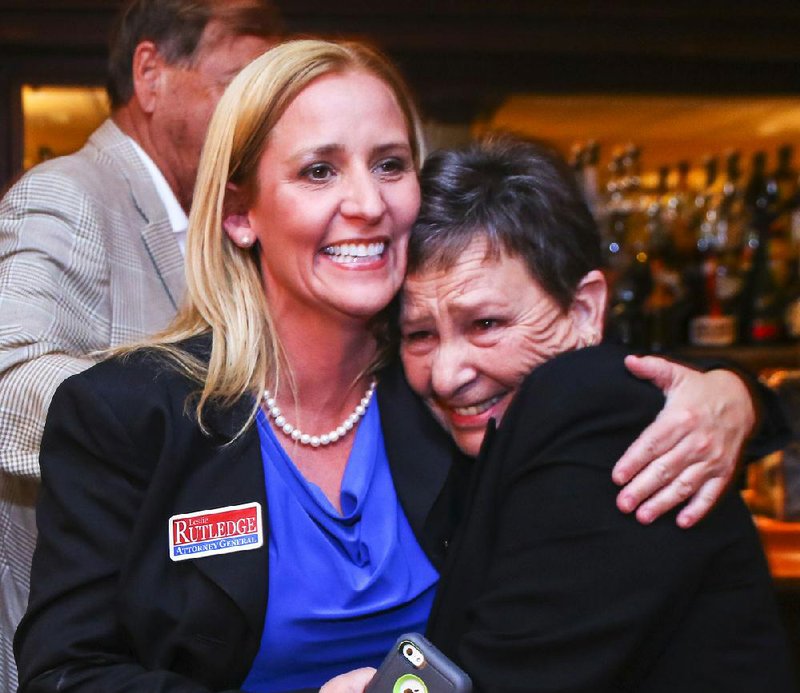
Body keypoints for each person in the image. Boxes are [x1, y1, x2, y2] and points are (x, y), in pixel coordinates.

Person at [14, 40, 782, 692]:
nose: (367, 203)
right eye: (319, 171)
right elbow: (65, 673)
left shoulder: (448, 391)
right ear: (240, 213)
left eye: (388, 164)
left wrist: (736, 395)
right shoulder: (129, 412)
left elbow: (595, 385)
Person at [392, 135, 795, 692]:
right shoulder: (507, 430)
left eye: (486, 324)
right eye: (418, 334)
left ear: (584, 310)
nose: (445, 375)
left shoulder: (588, 407)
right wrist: (741, 390)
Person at [0, 0, 279, 686]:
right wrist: (190, 435)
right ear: (150, 74)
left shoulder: (220, 220)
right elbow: (9, 391)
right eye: (240, 85)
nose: (262, 116)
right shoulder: (69, 194)